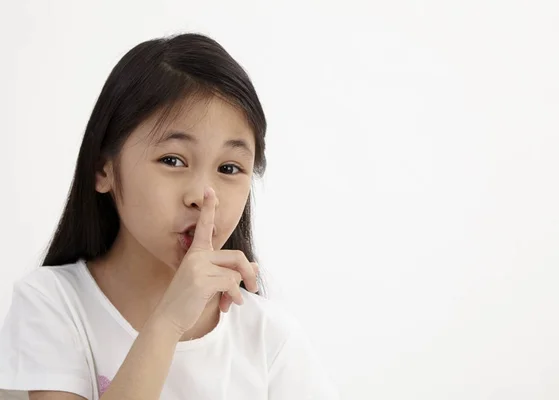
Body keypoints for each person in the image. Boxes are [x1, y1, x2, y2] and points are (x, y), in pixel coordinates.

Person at [0, 33, 338, 400]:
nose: (201, 196)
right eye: (173, 160)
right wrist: (169, 321)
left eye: (229, 167)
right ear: (103, 169)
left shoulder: (270, 338)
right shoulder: (53, 303)